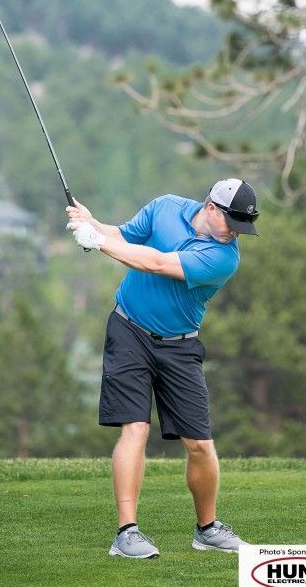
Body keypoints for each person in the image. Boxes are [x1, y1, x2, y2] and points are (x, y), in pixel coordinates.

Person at [65, 178, 260, 560]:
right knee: (135, 428)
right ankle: (127, 532)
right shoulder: (166, 206)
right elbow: (124, 235)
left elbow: (154, 262)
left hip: (180, 347)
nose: (236, 233)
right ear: (210, 208)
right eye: (232, 223)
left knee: (200, 445)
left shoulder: (225, 258)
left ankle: (207, 529)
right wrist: (93, 224)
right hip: (128, 331)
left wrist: (98, 243)